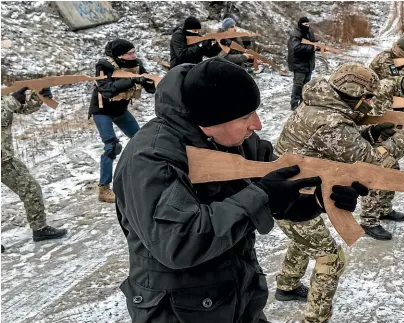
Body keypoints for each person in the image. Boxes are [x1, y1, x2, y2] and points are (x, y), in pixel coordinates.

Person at [112, 57, 366, 323]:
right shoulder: (149, 159)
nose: (256, 125)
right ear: (209, 120)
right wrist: (262, 196)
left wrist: (317, 199)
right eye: (245, 116)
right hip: (177, 310)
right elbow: (178, 243)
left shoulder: (236, 139)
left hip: (237, 296)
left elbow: (280, 194)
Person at [273, 62, 404, 323]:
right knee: (331, 259)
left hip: (292, 192)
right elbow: (370, 165)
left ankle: (287, 285)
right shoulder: (331, 121)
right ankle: (315, 319)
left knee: (306, 237)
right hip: (290, 197)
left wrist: (370, 132)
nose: (369, 102)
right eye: (366, 97)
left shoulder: (321, 102)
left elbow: (340, 143)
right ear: (352, 93)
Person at [89, 39, 156, 203]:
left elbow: (151, 88)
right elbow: (106, 91)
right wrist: (132, 80)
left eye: (134, 52)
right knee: (112, 146)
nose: (134, 55)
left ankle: (146, 176)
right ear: (120, 55)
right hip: (102, 110)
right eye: (130, 53)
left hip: (120, 110)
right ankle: (104, 189)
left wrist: (147, 82)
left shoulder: (136, 64)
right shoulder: (104, 66)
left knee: (141, 140)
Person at [1, 87, 68, 246]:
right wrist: (14, 99)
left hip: (4, 159)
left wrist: (39, 97)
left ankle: (40, 229)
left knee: (31, 189)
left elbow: (23, 108)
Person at [287, 17, 319, 110]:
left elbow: (313, 43)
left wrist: (318, 47)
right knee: (298, 84)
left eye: (308, 24)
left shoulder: (310, 32)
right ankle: (294, 103)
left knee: (306, 84)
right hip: (299, 63)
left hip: (309, 63)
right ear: (300, 24)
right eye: (305, 25)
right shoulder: (295, 34)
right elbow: (295, 48)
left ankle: (303, 102)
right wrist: (311, 48)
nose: (307, 26)